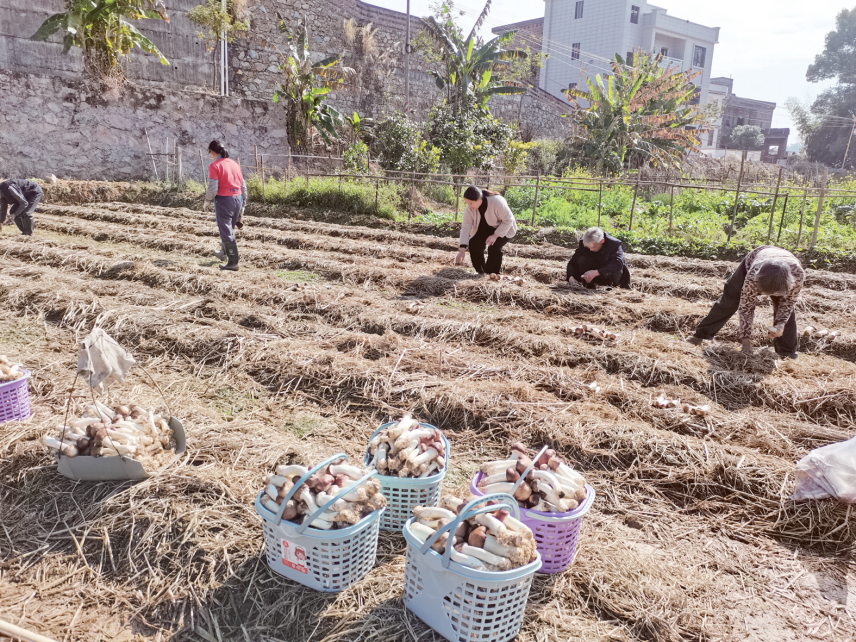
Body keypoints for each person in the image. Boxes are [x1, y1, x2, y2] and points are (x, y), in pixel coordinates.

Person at [686, 246, 804, 358]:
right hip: (756, 259)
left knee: (785, 310)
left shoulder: (797, 276)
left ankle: (787, 353)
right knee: (730, 300)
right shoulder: (753, 276)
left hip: (783, 271)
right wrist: (745, 340)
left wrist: (780, 325)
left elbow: (788, 304)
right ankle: (701, 335)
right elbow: (746, 307)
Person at [203, 140, 247, 271]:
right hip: (237, 199)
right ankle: (223, 253)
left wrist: (207, 200)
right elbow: (243, 186)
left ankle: (233, 262)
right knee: (229, 229)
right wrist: (243, 203)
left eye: (210, 152)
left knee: (226, 231)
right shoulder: (235, 164)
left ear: (212, 151)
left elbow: (213, 188)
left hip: (224, 201)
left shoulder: (214, 166)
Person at [454, 186, 517, 275]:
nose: (469, 206)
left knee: (494, 247)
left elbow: (509, 220)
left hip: (504, 228)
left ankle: (492, 274)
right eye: (467, 203)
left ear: (479, 199)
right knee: (474, 243)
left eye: (471, 203)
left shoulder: (497, 201)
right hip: (485, 228)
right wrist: (462, 250)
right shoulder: (469, 209)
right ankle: (481, 272)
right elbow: (465, 227)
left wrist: (495, 235)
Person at [566, 227, 631, 289]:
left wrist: (597, 272)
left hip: (609, 276)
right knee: (581, 259)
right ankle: (589, 284)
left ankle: (610, 286)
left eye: (594, 247)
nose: (590, 249)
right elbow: (573, 262)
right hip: (592, 273)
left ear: (602, 241)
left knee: (616, 269)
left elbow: (618, 264)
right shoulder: (584, 243)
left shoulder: (613, 244)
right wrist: (571, 276)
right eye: (588, 247)